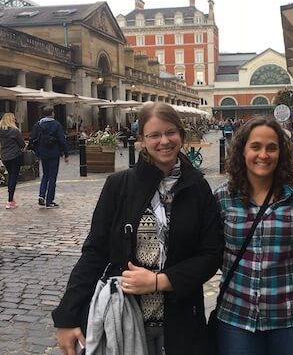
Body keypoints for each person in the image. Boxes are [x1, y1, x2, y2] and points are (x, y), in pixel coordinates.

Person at [52, 102, 223, 355]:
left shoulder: (198, 188)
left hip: (182, 322)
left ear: (181, 135)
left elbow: (211, 255)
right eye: (154, 135)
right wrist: (68, 316)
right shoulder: (119, 186)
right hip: (125, 319)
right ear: (142, 140)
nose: (164, 141)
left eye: (170, 132)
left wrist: (159, 281)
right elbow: (95, 252)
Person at [214, 116, 293, 355]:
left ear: (281, 153)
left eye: (272, 148)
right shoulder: (223, 197)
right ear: (242, 151)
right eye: (256, 147)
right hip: (236, 316)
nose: (264, 155)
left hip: (290, 316)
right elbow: (216, 248)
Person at [29, 106, 68, 209]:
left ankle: (41, 195)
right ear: (52, 114)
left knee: (45, 175)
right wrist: (66, 154)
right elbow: (62, 140)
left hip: (43, 153)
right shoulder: (56, 125)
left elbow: (32, 139)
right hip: (54, 153)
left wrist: (38, 151)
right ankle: (49, 200)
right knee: (52, 177)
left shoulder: (38, 124)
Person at [0, 112, 25, 209]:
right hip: (15, 156)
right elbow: (22, 144)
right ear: (11, 120)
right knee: (13, 177)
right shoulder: (15, 131)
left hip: (5, 156)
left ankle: (11, 199)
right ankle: (10, 200)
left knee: (10, 175)